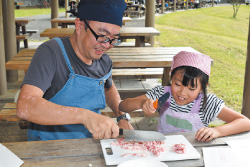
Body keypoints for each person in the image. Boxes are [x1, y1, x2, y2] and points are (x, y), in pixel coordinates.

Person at [16, 0, 133, 141]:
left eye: (113, 39)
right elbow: (25, 106)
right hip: (48, 148)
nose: (107, 45)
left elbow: (109, 88)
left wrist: (121, 116)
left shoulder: (104, 61)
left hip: (91, 143)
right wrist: (84, 116)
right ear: (79, 26)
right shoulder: (51, 53)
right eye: (102, 36)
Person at [119, 51, 250, 142]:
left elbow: (245, 122)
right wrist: (143, 102)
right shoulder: (162, 94)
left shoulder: (207, 103)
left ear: (203, 87)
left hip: (195, 150)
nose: (182, 92)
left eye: (192, 88)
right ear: (171, 78)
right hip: (164, 148)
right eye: (177, 84)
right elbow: (122, 106)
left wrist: (218, 131)